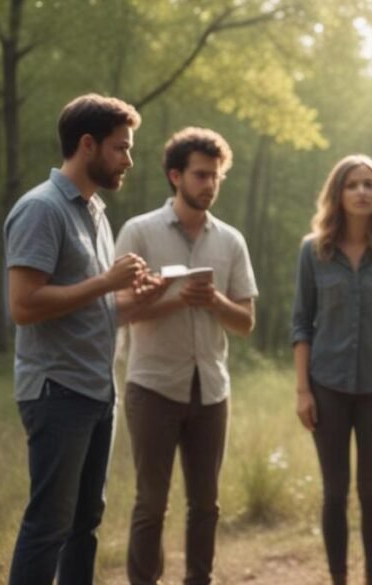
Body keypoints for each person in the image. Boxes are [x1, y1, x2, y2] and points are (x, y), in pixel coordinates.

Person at [3, 93, 157, 585]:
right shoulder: (41, 209)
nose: (129, 160)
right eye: (121, 148)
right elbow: (24, 305)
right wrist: (107, 282)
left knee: (84, 524)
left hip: (97, 391)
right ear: (87, 145)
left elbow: (92, 306)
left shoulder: (95, 212)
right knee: (49, 525)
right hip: (57, 390)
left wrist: (136, 297)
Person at [114, 127, 258, 585]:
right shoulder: (139, 232)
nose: (210, 184)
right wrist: (176, 300)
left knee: (206, 505)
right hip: (152, 386)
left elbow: (246, 322)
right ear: (176, 176)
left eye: (216, 176)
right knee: (150, 503)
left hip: (211, 389)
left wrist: (213, 301)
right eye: (200, 174)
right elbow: (117, 311)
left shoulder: (231, 241)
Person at [291, 154, 372, 585]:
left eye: (369, 184)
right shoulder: (313, 251)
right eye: (352, 184)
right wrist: (302, 391)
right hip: (326, 385)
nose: (362, 192)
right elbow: (301, 323)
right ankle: (339, 579)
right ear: (337, 194)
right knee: (334, 493)